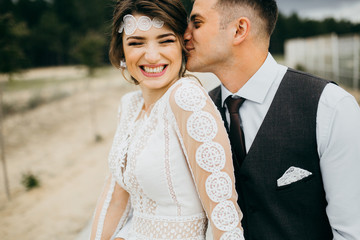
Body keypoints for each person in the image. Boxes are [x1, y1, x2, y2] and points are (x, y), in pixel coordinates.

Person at [184, 0, 360, 239]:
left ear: (239, 30)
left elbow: (352, 232)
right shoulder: (198, 112)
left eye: (197, 23)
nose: (185, 35)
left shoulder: (330, 106)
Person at [90, 0, 245, 239]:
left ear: (183, 46)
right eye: (136, 42)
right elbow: (114, 200)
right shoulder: (129, 106)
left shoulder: (186, 98)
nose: (152, 56)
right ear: (121, 50)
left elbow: (223, 213)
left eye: (166, 41)